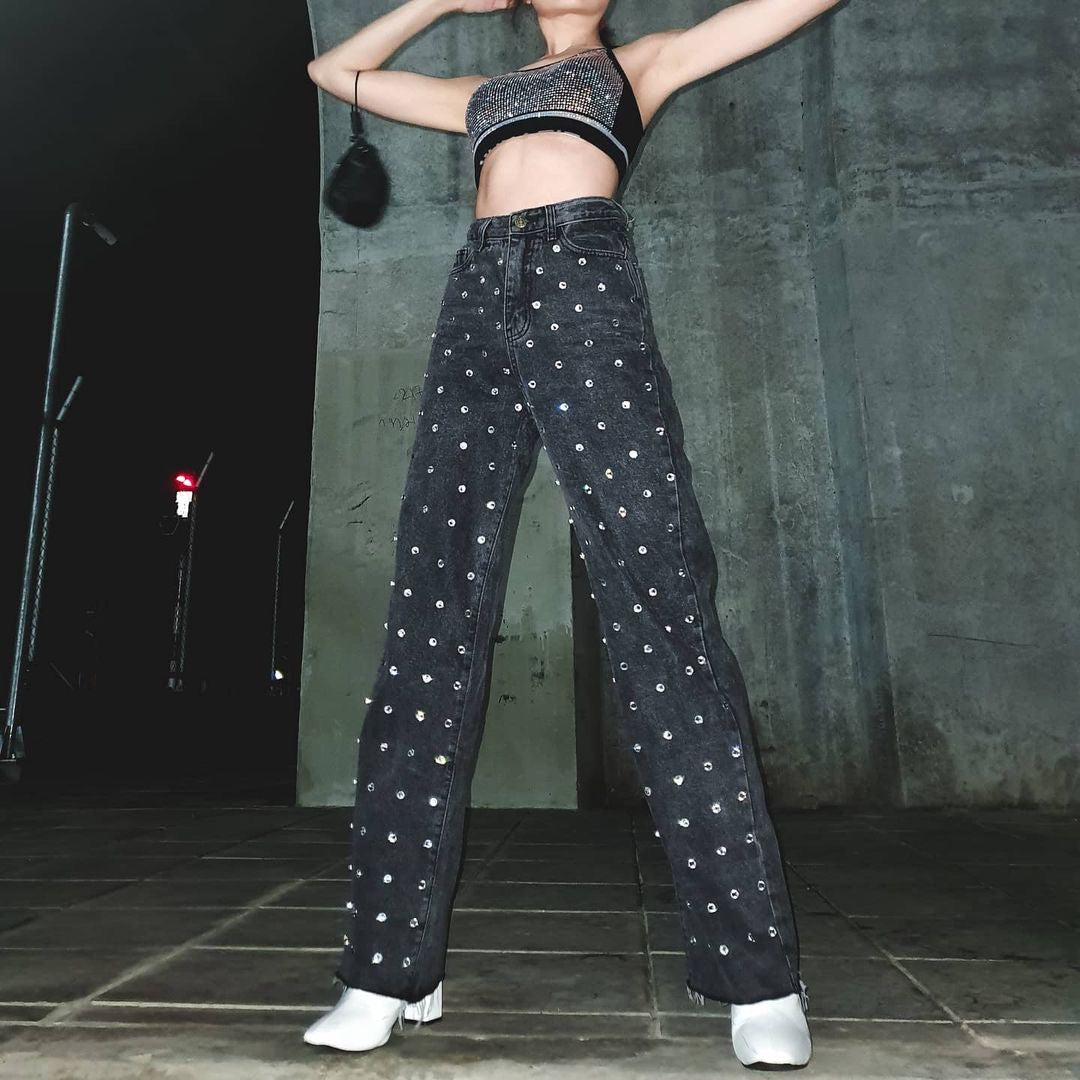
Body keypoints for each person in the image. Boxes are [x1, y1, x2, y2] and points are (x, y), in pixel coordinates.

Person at [302, 0, 842, 1068]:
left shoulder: (644, 63)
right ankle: (386, 968)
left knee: (659, 602)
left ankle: (758, 977)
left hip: (583, 283)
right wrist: (437, 1)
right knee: (430, 616)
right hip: (476, 295)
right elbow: (335, 72)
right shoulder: (484, 96)